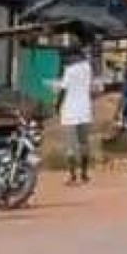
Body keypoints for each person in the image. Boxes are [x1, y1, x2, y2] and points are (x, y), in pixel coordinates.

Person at [56, 48, 94, 185]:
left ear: (72, 56)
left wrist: (57, 105)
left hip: (69, 112)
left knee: (70, 146)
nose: (64, 61)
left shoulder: (69, 70)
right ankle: (84, 174)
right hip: (84, 111)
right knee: (84, 143)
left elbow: (63, 90)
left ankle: (72, 176)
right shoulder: (88, 68)